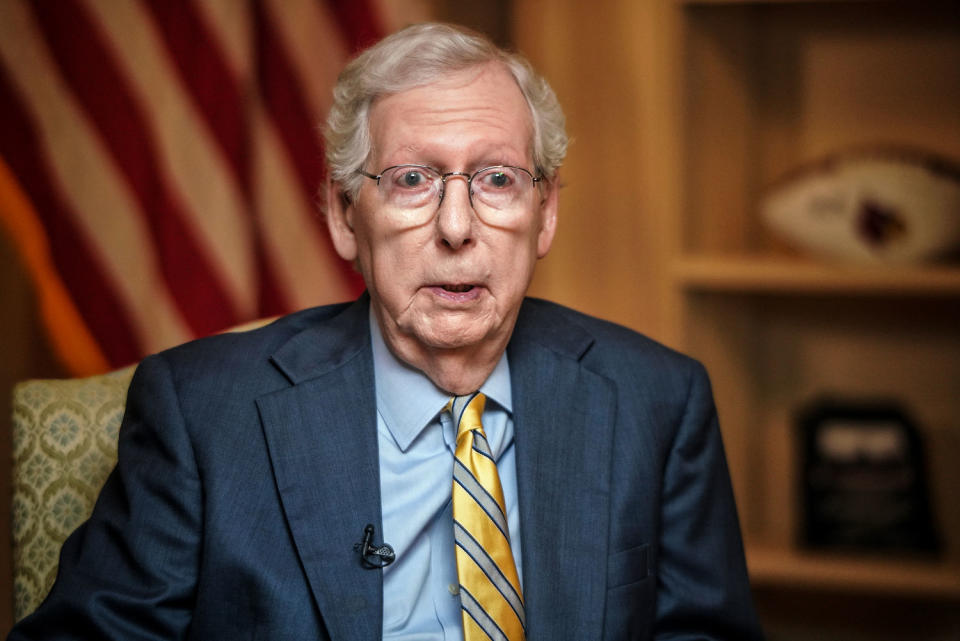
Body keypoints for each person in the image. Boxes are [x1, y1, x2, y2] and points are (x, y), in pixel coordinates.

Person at [9, 23, 763, 641]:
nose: (458, 227)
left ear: (547, 214)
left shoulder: (657, 401)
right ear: (343, 216)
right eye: (413, 180)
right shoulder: (203, 412)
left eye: (497, 179)